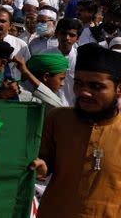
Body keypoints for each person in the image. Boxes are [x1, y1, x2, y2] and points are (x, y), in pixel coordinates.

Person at [30, 43, 121, 217]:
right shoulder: (58, 119)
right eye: (79, 84)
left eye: (96, 86)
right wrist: (42, 166)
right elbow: (45, 160)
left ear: (119, 89)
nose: (84, 92)